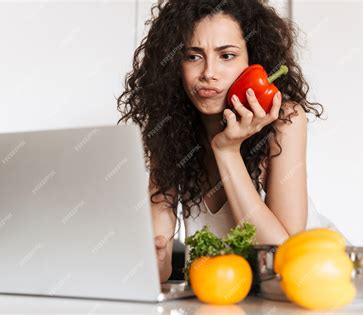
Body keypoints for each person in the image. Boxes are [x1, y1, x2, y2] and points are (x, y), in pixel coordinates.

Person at [117, 0, 346, 283]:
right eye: (193, 56)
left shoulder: (284, 119)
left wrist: (226, 151)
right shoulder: (169, 129)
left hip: (318, 284)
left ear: (253, 59)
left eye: (227, 55)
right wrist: (153, 254)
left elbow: (280, 260)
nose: (209, 72)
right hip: (229, 296)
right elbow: (158, 268)